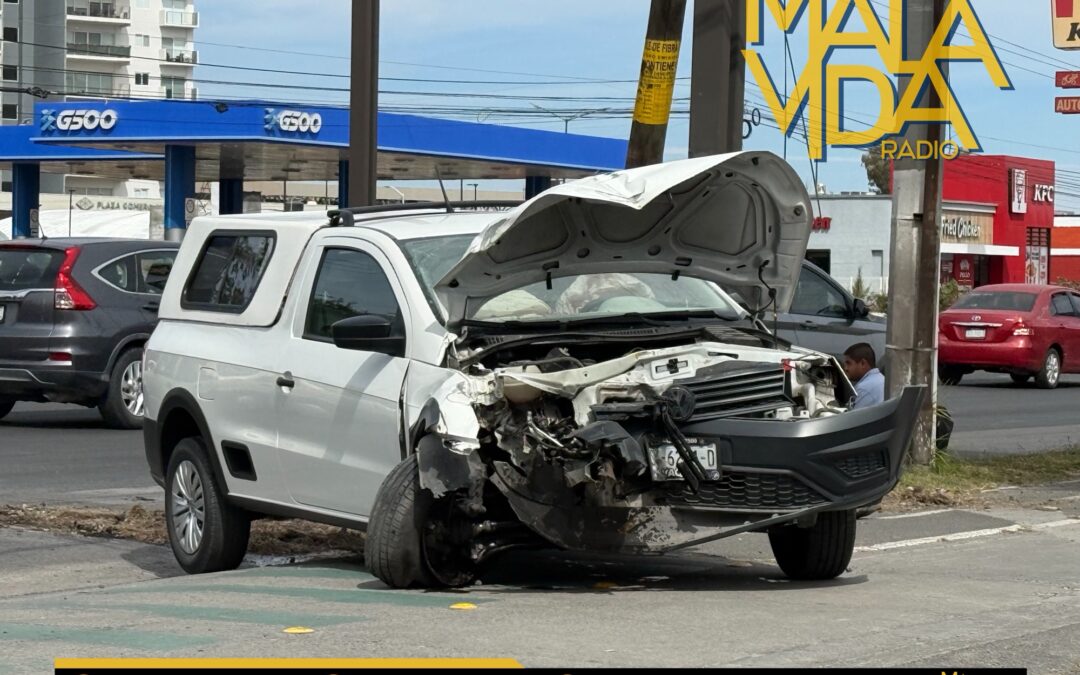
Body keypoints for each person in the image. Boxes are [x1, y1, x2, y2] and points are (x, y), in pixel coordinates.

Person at [843, 343, 885, 409]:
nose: (845, 368)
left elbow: (854, 418)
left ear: (863, 363)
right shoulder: (881, 379)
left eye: (848, 363)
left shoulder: (864, 388)